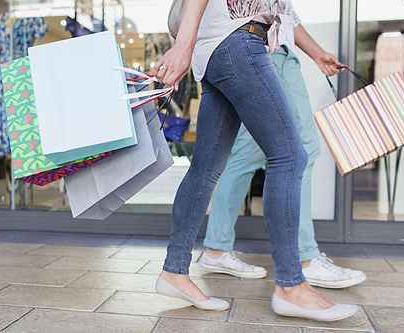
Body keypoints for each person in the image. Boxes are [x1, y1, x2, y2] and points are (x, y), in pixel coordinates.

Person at [151, 0, 359, 321]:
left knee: (205, 169)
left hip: (220, 49)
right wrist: (181, 46)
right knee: (289, 156)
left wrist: (316, 53)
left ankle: (174, 272)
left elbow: (283, 11)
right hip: (238, 42)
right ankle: (291, 285)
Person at [199, 6, 367, 290]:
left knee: (247, 152)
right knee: (300, 149)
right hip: (266, 50)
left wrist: (315, 52)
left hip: (261, 48)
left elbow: (286, 12)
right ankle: (304, 258)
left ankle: (216, 247)